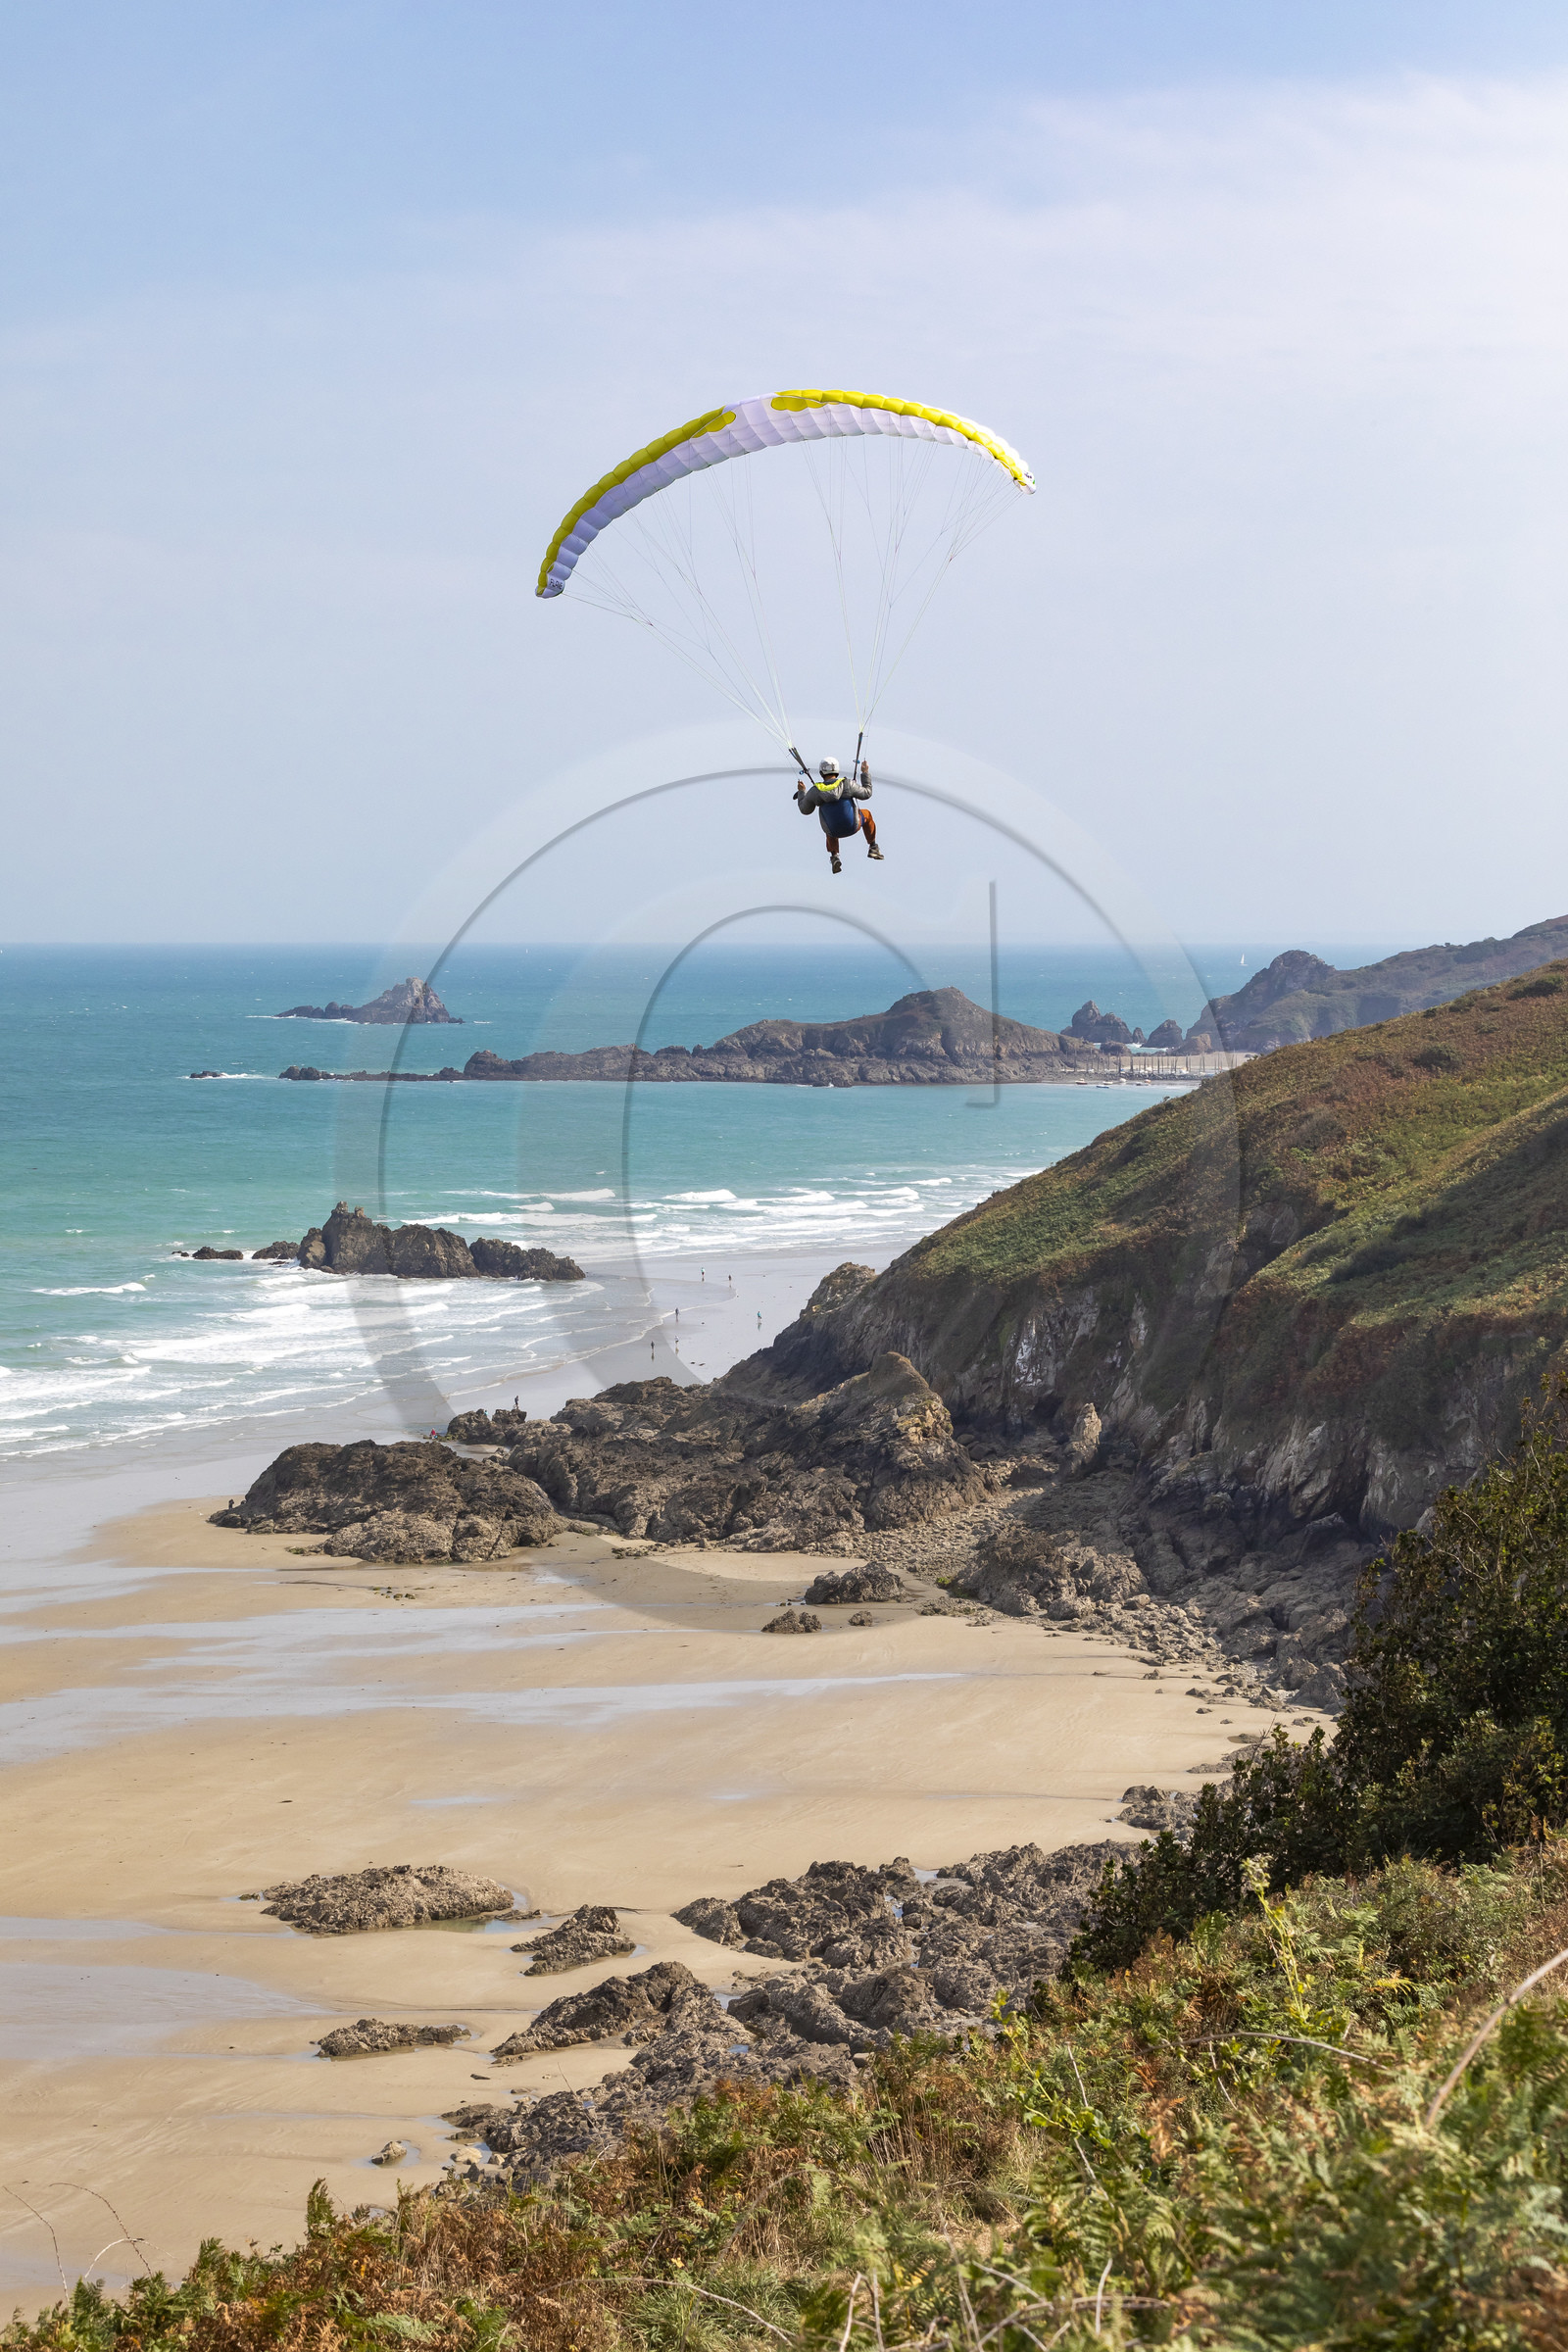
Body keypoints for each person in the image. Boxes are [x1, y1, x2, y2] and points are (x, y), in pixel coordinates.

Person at [795, 757, 883, 874]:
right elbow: (867, 793)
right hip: (853, 826)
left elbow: (805, 810)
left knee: (830, 823)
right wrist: (865, 773)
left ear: (821, 773)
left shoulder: (815, 791)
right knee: (867, 814)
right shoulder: (847, 784)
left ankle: (834, 856)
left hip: (834, 832)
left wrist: (802, 792)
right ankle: (873, 846)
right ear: (837, 771)